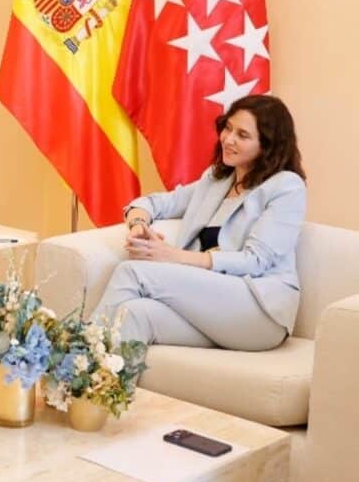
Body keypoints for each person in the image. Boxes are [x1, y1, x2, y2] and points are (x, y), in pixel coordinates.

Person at [92, 95, 307, 351]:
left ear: (268, 145)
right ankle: (99, 389)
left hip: (259, 311)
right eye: (227, 128)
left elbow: (256, 260)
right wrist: (138, 225)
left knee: (132, 271)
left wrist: (173, 256)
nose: (228, 139)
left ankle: (73, 361)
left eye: (243, 135)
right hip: (212, 307)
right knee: (134, 314)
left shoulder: (286, 186)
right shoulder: (216, 180)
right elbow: (156, 203)